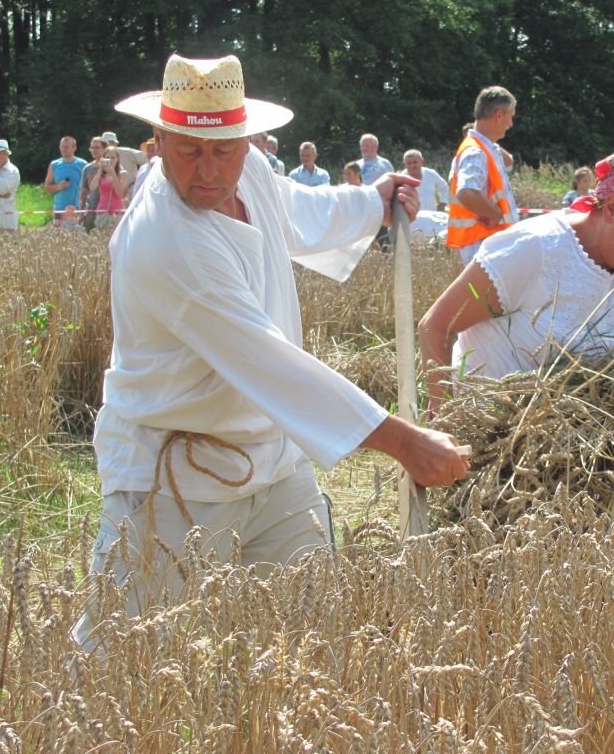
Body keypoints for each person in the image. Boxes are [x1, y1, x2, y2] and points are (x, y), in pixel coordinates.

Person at [72, 52, 467, 651]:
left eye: (223, 149)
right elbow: (275, 368)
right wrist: (405, 442)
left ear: (247, 138)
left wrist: (372, 201)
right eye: (188, 150)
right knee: (118, 664)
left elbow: (295, 209)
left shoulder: (247, 168)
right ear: (157, 141)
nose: (208, 170)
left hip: (274, 466)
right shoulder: (168, 243)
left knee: (312, 634)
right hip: (173, 478)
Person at [420, 146, 614, 446]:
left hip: (585, 450)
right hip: (495, 440)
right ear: (612, 207)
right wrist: (447, 425)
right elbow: (437, 325)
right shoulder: (534, 248)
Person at [447, 86, 520, 265]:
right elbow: (466, 192)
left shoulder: (485, 148)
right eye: (510, 116)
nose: (511, 124)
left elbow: (509, 162)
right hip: (485, 244)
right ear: (498, 115)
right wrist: (495, 213)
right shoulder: (475, 152)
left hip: (487, 243)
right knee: (486, 295)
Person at [44, 136, 87, 224]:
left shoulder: (83, 164)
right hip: (59, 208)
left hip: (76, 208)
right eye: (62, 146)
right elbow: (47, 187)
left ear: (74, 148)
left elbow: (88, 187)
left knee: (76, 235)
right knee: (58, 236)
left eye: (66, 147)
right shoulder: (54, 165)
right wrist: (59, 187)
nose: (64, 149)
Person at [88, 145, 128, 229]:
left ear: (117, 159)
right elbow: (92, 188)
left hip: (116, 212)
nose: (110, 160)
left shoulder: (122, 174)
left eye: (113, 158)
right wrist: (100, 170)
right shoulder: (101, 175)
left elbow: (120, 194)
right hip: (102, 211)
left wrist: (113, 174)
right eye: (107, 158)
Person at [100, 131, 148, 197]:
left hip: (131, 189)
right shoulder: (102, 156)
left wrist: (143, 178)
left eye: (110, 142)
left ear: (115, 143)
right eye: (105, 143)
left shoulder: (127, 152)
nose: (108, 145)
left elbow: (148, 159)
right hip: (110, 192)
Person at [80, 136, 107, 231]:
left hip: (108, 210)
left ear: (104, 149)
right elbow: (84, 191)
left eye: (97, 147)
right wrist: (81, 211)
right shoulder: (87, 168)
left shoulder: (112, 167)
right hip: (91, 209)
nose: (94, 150)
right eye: (92, 148)